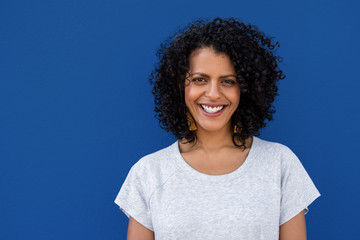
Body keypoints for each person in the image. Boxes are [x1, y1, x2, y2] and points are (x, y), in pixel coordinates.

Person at [114, 17, 321, 240]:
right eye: (199, 79)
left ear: (245, 89)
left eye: (228, 81)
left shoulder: (280, 164)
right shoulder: (148, 173)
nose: (213, 93)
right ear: (180, 87)